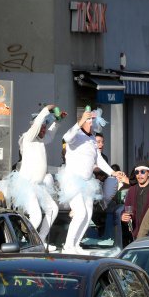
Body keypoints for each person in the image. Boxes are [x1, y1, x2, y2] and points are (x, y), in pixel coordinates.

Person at [57, 108, 119, 254]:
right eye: (89, 120)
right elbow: (66, 137)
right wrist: (80, 121)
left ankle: (76, 244)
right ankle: (68, 246)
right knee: (80, 212)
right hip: (72, 181)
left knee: (88, 213)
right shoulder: (76, 135)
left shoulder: (92, 138)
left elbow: (99, 159)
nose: (91, 123)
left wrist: (112, 172)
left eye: (92, 120)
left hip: (87, 182)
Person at [6, 105, 63, 242]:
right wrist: (47, 108)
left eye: (45, 127)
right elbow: (38, 124)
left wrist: (58, 120)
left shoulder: (41, 139)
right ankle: (22, 243)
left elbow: (51, 132)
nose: (44, 130)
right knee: (36, 215)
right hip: (26, 185)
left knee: (53, 209)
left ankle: (40, 239)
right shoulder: (29, 137)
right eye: (42, 127)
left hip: (37, 185)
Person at [120, 162, 149, 240]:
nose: (139, 175)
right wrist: (123, 216)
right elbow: (126, 209)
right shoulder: (132, 190)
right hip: (136, 234)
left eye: (142, 172)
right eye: (137, 172)